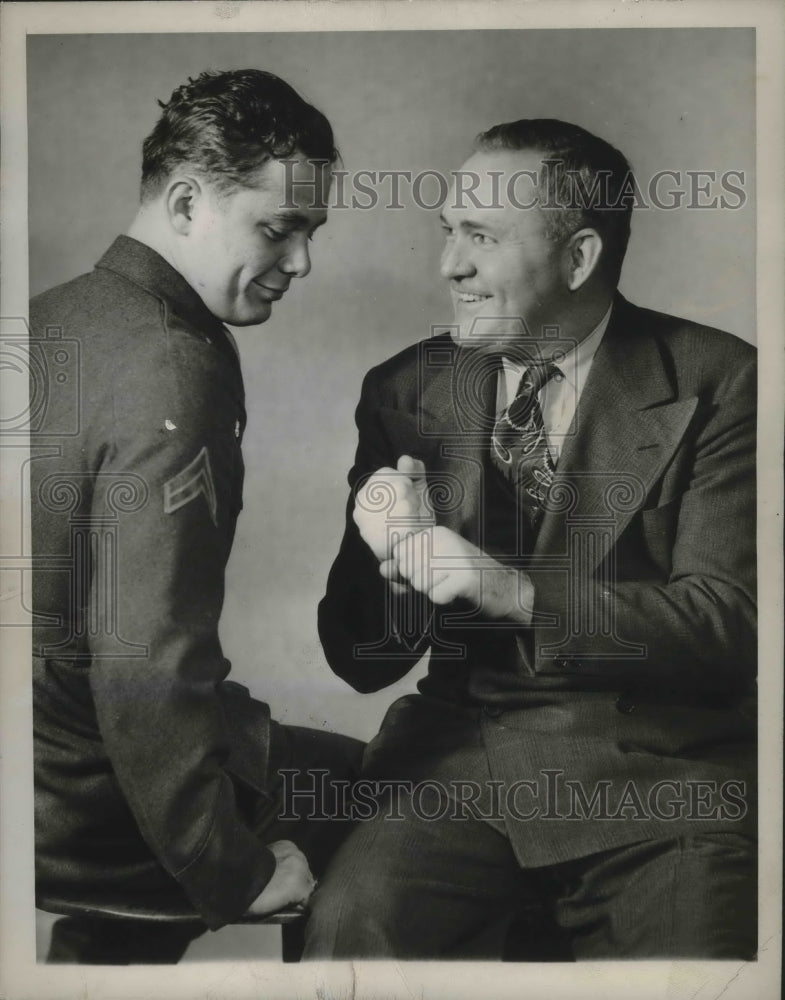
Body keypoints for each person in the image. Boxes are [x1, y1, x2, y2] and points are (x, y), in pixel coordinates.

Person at [308, 119, 757, 959]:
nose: (449, 267)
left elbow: (731, 628)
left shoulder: (723, 381)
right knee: (347, 939)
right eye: (448, 234)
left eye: (480, 237)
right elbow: (356, 659)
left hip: (659, 776)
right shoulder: (405, 389)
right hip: (455, 766)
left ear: (578, 259)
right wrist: (393, 576)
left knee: (697, 964)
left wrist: (510, 590)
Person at [30, 69, 363, 964]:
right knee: (378, 800)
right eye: (279, 227)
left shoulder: (44, 321)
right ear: (184, 203)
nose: (300, 263)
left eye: (311, 232)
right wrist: (231, 871)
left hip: (29, 778)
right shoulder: (175, 367)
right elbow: (146, 660)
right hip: (94, 805)